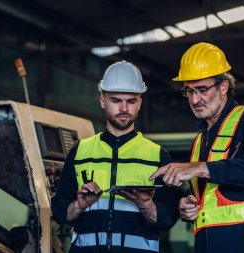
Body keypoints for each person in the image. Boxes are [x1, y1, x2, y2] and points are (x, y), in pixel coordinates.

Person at [149, 42, 244, 253]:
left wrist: (199, 168)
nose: (195, 99)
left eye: (202, 89)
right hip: (207, 242)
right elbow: (209, 199)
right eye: (189, 91)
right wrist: (188, 206)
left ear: (223, 86)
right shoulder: (200, 141)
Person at [51, 60, 181, 253]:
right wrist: (79, 205)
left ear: (139, 104)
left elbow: (167, 219)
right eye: (116, 100)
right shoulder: (80, 151)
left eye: (131, 101)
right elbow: (62, 213)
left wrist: (144, 203)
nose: (124, 109)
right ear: (102, 100)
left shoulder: (157, 156)